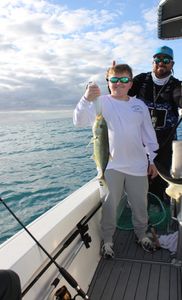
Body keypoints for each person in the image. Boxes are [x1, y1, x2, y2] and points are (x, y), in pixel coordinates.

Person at [73, 64, 159, 258]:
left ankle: (141, 235)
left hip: (138, 166)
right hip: (110, 166)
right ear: (108, 83)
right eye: (114, 80)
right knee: (110, 206)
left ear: (130, 83)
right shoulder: (100, 102)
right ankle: (108, 241)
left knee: (139, 205)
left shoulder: (140, 105)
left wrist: (151, 160)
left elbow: (149, 136)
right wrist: (86, 97)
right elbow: (78, 121)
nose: (118, 84)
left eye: (123, 80)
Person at [128, 45, 182, 202]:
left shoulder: (176, 85)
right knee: (139, 181)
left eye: (166, 60)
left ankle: (161, 211)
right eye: (158, 59)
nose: (161, 63)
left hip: (164, 144)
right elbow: (121, 93)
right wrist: (111, 80)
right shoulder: (141, 80)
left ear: (172, 65)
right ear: (153, 62)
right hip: (139, 142)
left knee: (161, 182)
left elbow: (180, 97)